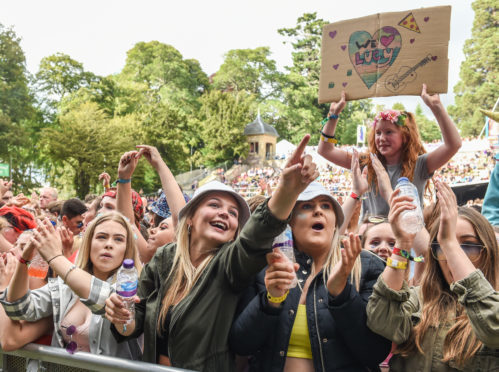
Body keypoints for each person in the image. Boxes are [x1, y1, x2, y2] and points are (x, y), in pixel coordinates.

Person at [104, 135, 319, 371]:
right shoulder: (164, 258)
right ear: (191, 218)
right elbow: (137, 316)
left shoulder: (229, 263)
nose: (225, 214)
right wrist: (123, 317)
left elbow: (257, 235)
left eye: (233, 213)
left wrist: (286, 191)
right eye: (215, 205)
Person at [230, 173, 390, 371]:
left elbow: (374, 353)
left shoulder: (367, 266)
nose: (317, 211)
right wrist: (271, 300)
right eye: (306, 206)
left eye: (326, 206)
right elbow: (241, 344)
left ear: (335, 224)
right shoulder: (268, 266)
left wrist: (341, 294)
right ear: (290, 223)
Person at [366, 180, 499, 370]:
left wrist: (450, 244)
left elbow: (494, 327)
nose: (453, 257)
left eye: (468, 245)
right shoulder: (418, 298)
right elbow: (381, 320)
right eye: (441, 247)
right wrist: (403, 242)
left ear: (489, 251)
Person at [0, 212, 142, 361]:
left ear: (127, 249)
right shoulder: (64, 286)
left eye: (118, 239)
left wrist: (55, 257)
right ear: (89, 243)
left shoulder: (133, 288)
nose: (109, 244)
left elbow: (114, 305)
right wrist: (24, 260)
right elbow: (18, 309)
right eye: (101, 237)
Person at [317, 85, 462, 218]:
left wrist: (437, 107)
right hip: (371, 240)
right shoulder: (366, 162)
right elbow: (325, 150)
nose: (381, 138)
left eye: (389, 132)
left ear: (405, 137)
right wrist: (333, 115)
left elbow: (453, 144)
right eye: (378, 133)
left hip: (407, 241)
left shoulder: (420, 164)